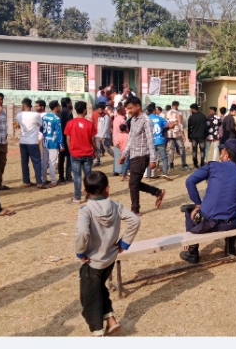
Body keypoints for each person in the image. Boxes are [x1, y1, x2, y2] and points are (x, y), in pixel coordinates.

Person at [75, 171, 140, 336]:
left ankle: (97, 331)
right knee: (98, 287)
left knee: (89, 297)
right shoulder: (116, 205)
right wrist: (124, 243)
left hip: (93, 261)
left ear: (85, 191)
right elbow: (135, 220)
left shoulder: (86, 210)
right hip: (110, 258)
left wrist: (81, 252)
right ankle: (110, 320)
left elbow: (82, 232)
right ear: (107, 189)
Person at [180, 139, 236, 264]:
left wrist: (198, 204)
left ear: (226, 155)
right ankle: (231, 248)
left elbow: (190, 181)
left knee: (189, 211)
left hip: (208, 223)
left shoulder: (213, 166)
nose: (220, 154)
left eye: (222, 152)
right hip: (230, 224)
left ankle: (192, 252)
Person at [118, 97, 166, 215]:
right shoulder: (133, 120)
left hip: (142, 155)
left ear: (138, 106)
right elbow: (130, 139)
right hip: (133, 155)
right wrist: (124, 155)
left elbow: (150, 140)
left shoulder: (146, 120)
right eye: (127, 108)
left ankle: (135, 209)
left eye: (130, 108)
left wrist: (153, 159)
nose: (129, 111)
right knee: (134, 183)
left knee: (133, 183)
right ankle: (157, 192)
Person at [64, 101, 96, 204]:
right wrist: (94, 150)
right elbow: (93, 140)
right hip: (87, 153)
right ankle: (89, 196)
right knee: (88, 176)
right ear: (85, 110)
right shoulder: (89, 124)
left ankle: (77, 198)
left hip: (75, 153)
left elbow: (68, 139)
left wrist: (70, 150)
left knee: (77, 176)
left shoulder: (70, 123)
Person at [15, 98, 45, 188]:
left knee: (24, 162)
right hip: (33, 141)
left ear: (23, 105)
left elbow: (18, 125)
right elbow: (40, 124)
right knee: (37, 162)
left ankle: (26, 181)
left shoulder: (19, 115)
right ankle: (39, 182)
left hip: (23, 141)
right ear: (31, 106)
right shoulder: (36, 115)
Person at [146, 103, 173, 180]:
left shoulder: (146, 119)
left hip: (150, 142)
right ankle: (165, 173)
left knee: (150, 159)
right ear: (154, 110)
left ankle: (148, 176)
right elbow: (169, 125)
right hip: (159, 140)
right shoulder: (159, 118)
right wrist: (173, 124)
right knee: (164, 158)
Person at [41, 100, 65, 187]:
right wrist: (61, 145)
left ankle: (43, 179)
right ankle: (53, 180)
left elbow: (41, 129)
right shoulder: (56, 119)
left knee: (44, 161)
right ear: (56, 107)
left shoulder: (44, 117)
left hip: (45, 141)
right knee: (52, 161)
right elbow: (59, 133)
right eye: (59, 106)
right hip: (53, 142)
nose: (60, 107)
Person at [166, 101, 189, 172]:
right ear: (176, 105)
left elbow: (166, 123)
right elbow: (180, 125)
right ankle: (184, 164)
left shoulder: (167, 113)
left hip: (169, 133)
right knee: (181, 148)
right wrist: (183, 135)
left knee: (171, 148)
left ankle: (171, 164)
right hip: (177, 133)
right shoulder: (178, 113)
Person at [58, 98, 74, 184]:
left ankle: (61, 177)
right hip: (67, 137)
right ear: (68, 104)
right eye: (70, 102)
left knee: (61, 158)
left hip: (60, 138)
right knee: (69, 157)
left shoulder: (59, 113)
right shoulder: (69, 113)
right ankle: (68, 177)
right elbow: (70, 127)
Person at [93, 103, 114, 167]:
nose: (98, 111)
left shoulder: (106, 117)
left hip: (105, 136)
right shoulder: (99, 117)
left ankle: (116, 157)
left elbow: (106, 127)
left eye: (100, 110)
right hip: (97, 135)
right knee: (97, 149)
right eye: (98, 110)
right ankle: (97, 161)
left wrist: (102, 136)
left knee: (107, 148)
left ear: (103, 110)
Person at [187, 103, 208, 168]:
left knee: (194, 150)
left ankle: (195, 163)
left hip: (194, 137)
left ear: (193, 109)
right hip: (202, 136)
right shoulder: (203, 116)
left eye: (191, 109)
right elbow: (206, 127)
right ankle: (202, 163)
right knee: (202, 150)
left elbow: (189, 128)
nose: (190, 110)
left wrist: (189, 136)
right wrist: (206, 135)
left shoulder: (191, 117)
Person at [111, 104, 128, 176]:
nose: (125, 111)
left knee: (116, 155)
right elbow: (126, 129)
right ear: (121, 111)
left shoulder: (115, 119)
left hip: (115, 138)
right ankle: (120, 171)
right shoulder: (122, 120)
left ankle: (115, 170)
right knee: (122, 155)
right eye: (124, 110)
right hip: (122, 139)